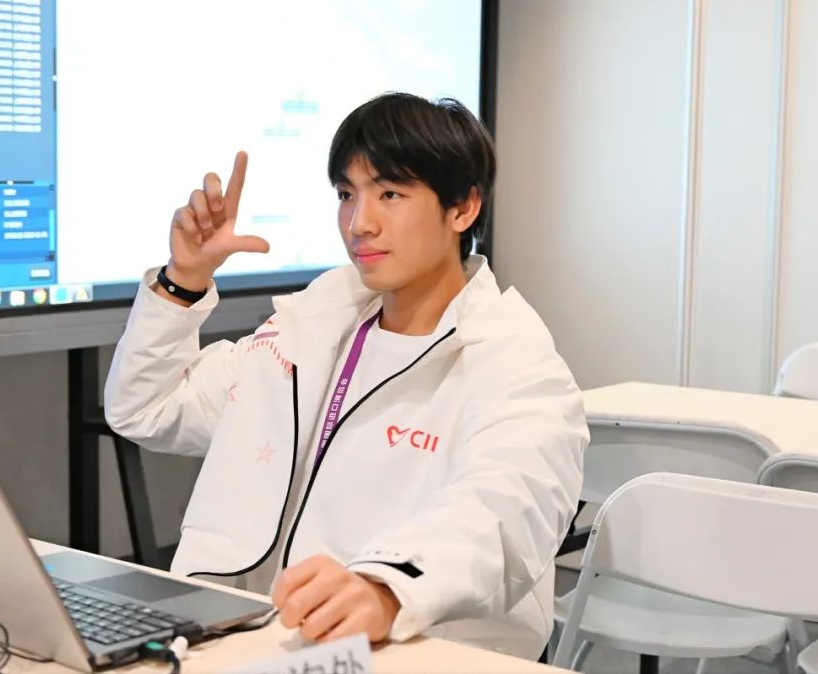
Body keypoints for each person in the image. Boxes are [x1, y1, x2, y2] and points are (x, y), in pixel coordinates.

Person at [104, 92, 589, 659]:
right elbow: (147, 407)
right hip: (255, 641)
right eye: (346, 194)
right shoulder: (311, 327)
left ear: (462, 208)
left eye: (390, 194)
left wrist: (387, 588)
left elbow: (506, 511)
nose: (360, 222)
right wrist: (182, 279)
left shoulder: (512, 359)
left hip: (412, 649)